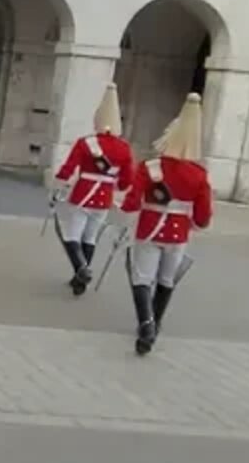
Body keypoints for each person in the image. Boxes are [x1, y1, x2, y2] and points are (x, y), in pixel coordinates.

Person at [120, 93, 213, 355]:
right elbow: (204, 217)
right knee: (166, 279)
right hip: (178, 235)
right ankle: (156, 322)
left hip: (149, 229)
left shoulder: (149, 167)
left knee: (141, 278)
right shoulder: (199, 174)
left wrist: (125, 207)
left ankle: (146, 324)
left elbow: (131, 202)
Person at [53, 82, 134, 295]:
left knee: (72, 236)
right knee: (90, 237)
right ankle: (79, 281)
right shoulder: (124, 148)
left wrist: (59, 184)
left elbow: (68, 168)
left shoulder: (85, 143)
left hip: (83, 193)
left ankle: (81, 269)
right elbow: (126, 181)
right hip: (104, 196)